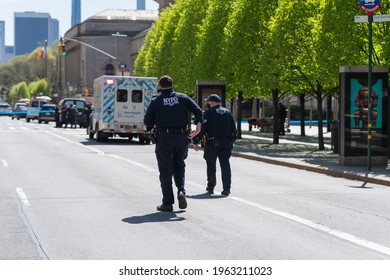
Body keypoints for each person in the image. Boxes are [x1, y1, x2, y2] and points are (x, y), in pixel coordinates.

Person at [144, 75, 202, 212]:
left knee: (165, 170)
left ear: (160, 86)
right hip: (182, 137)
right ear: (172, 84)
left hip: (164, 138)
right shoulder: (183, 98)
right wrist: (197, 128)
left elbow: (147, 122)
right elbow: (198, 111)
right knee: (179, 165)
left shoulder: (156, 101)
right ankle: (181, 191)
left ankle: (168, 203)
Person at [193, 94, 237, 196]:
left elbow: (202, 129)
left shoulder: (208, 113)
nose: (207, 104)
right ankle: (226, 188)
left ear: (213, 102)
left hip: (212, 143)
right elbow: (233, 130)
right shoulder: (227, 112)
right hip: (226, 143)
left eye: (208, 102)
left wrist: (196, 140)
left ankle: (211, 186)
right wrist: (230, 141)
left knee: (211, 165)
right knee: (225, 165)